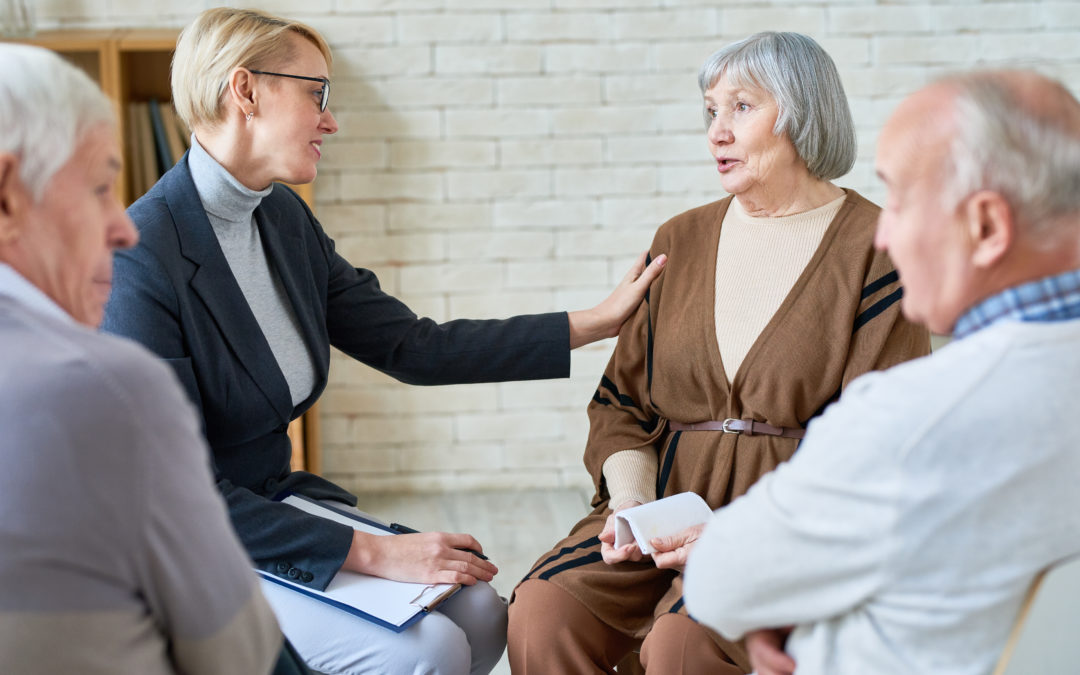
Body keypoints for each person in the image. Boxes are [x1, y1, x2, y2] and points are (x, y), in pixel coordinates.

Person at [100, 7, 664, 675]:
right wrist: (378, 553)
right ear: (245, 90)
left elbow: (412, 346)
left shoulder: (281, 218)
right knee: (428, 650)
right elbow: (180, 493)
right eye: (317, 93)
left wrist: (592, 322)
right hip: (195, 539)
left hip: (274, 505)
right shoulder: (141, 259)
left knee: (484, 612)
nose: (330, 120)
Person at [507, 31, 931, 674]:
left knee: (683, 644)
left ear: (801, 112)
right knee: (542, 607)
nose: (716, 132)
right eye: (711, 111)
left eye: (741, 107)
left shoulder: (878, 248)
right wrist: (633, 506)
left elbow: (883, 436)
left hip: (792, 525)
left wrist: (751, 534)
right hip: (660, 507)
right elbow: (620, 403)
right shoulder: (680, 239)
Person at [683, 69, 1080, 675]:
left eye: (898, 199)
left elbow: (717, 585)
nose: (885, 234)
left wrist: (799, 610)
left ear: (987, 227)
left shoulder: (907, 419)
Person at [0, 43, 283, 674]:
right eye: (101, 186)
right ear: (7, 197)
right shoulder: (109, 388)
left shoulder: (282, 218)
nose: (123, 227)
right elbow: (239, 653)